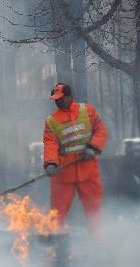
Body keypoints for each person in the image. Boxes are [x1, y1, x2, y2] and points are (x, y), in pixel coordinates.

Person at [43, 83, 107, 239]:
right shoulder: (51, 120)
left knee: (94, 212)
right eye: (55, 99)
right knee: (56, 214)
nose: (57, 102)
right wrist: (51, 163)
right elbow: (50, 143)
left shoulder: (88, 111)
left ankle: (99, 246)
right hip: (63, 175)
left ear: (70, 97)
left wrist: (93, 147)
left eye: (61, 98)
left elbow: (101, 131)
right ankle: (54, 247)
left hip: (88, 171)